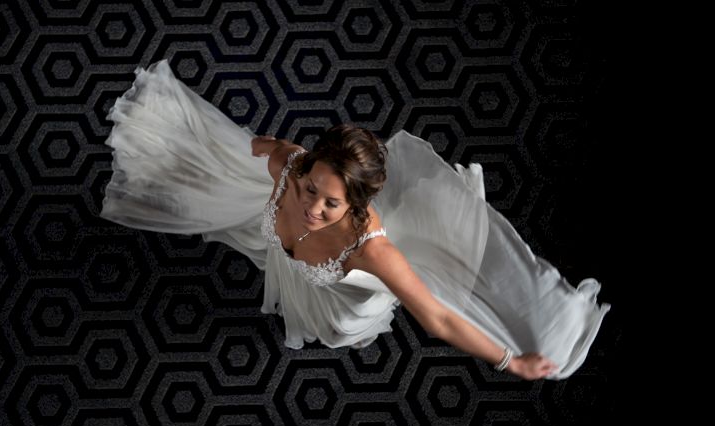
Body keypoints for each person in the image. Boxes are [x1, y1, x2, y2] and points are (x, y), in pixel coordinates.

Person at [100, 59, 611, 381]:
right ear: (304, 168)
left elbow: (438, 320)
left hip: (339, 299)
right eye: (310, 190)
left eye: (331, 205)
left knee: (340, 327)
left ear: (358, 206)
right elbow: (251, 147)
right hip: (287, 261)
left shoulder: (374, 250)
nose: (311, 208)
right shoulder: (289, 163)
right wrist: (198, 157)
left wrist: (510, 361)